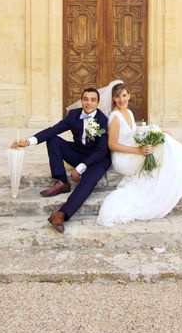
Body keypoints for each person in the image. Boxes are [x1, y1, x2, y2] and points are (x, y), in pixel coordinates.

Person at [12, 88, 111, 233]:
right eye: (86, 99)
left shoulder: (103, 120)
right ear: (81, 100)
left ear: (98, 102)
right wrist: (28, 141)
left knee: (87, 182)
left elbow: (101, 150)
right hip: (79, 153)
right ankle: (62, 181)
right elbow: (53, 130)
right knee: (53, 140)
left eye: (93, 100)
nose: (89, 103)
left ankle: (61, 214)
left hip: (98, 159)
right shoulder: (73, 115)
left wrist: (81, 167)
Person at [96, 82, 182, 227]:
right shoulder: (115, 117)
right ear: (113, 99)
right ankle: (164, 186)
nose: (121, 100)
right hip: (122, 158)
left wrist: (157, 130)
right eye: (117, 97)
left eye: (124, 95)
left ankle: (169, 180)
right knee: (161, 148)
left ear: (129, 95)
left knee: (163, 140)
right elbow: (113, 145)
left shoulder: (128, 112)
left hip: (131, 148)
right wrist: (138, 151)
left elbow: (133, 131)